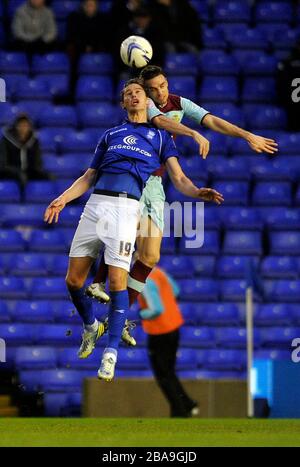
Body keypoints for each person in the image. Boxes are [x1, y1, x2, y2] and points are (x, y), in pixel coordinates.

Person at [44, 78, 224, 382]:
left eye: (138, 92)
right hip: (96, 206)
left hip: (127, 209)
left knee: (117, 280)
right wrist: (62, 199)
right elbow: (89, 176)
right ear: (123, 104)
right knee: (73, 280)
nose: (134, 96)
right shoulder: (110, 134)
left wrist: (195, 192)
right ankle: (91, 325)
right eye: (128, 94)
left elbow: (178, 179)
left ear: (146, 100)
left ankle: (110, 354)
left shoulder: (161, 137)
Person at [87, 65, 278, 315]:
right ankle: (98, 281)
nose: (161, 93)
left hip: (155, 183)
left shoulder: (180, 103)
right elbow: (162, 122)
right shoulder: (148, 108)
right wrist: (193, 133)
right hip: (132, 176)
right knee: (128, 231)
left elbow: (213, 120)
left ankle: (120, 316)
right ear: (145, 94)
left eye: (163, 85)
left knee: (151, 256)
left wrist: (247, 135)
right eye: (153, 90)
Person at [138, 265, 198, 418]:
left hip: (159, 331)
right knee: (169, 373)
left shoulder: (143, 279)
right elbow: (176, 290)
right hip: (174, 326)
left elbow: (156, 309)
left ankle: (180, 411)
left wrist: (142, 313)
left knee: (162, 376)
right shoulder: (159, 272)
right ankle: (188, 404)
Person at [0, 113, 51, 188]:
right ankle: (21, 198)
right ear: (16, 126)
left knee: (49, 177)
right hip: (10, 172)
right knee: (22, 177)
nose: (23, 128)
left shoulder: (33, 140)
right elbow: (3, 163)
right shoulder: (6, 140)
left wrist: (37, 170)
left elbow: (37, 160)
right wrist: (16, 171)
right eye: (21, 125)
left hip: (29, 171)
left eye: (26, 125)